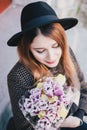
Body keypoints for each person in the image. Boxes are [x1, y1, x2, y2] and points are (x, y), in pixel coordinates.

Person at [6, 1, 87, 130]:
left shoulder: (66, 51)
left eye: (56, 46)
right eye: (40, 51)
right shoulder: (18, 76)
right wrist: (59, 124)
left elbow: (83, 88)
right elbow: (24, 127)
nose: (51, 56)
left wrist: (78, 117)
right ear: (27, 49)